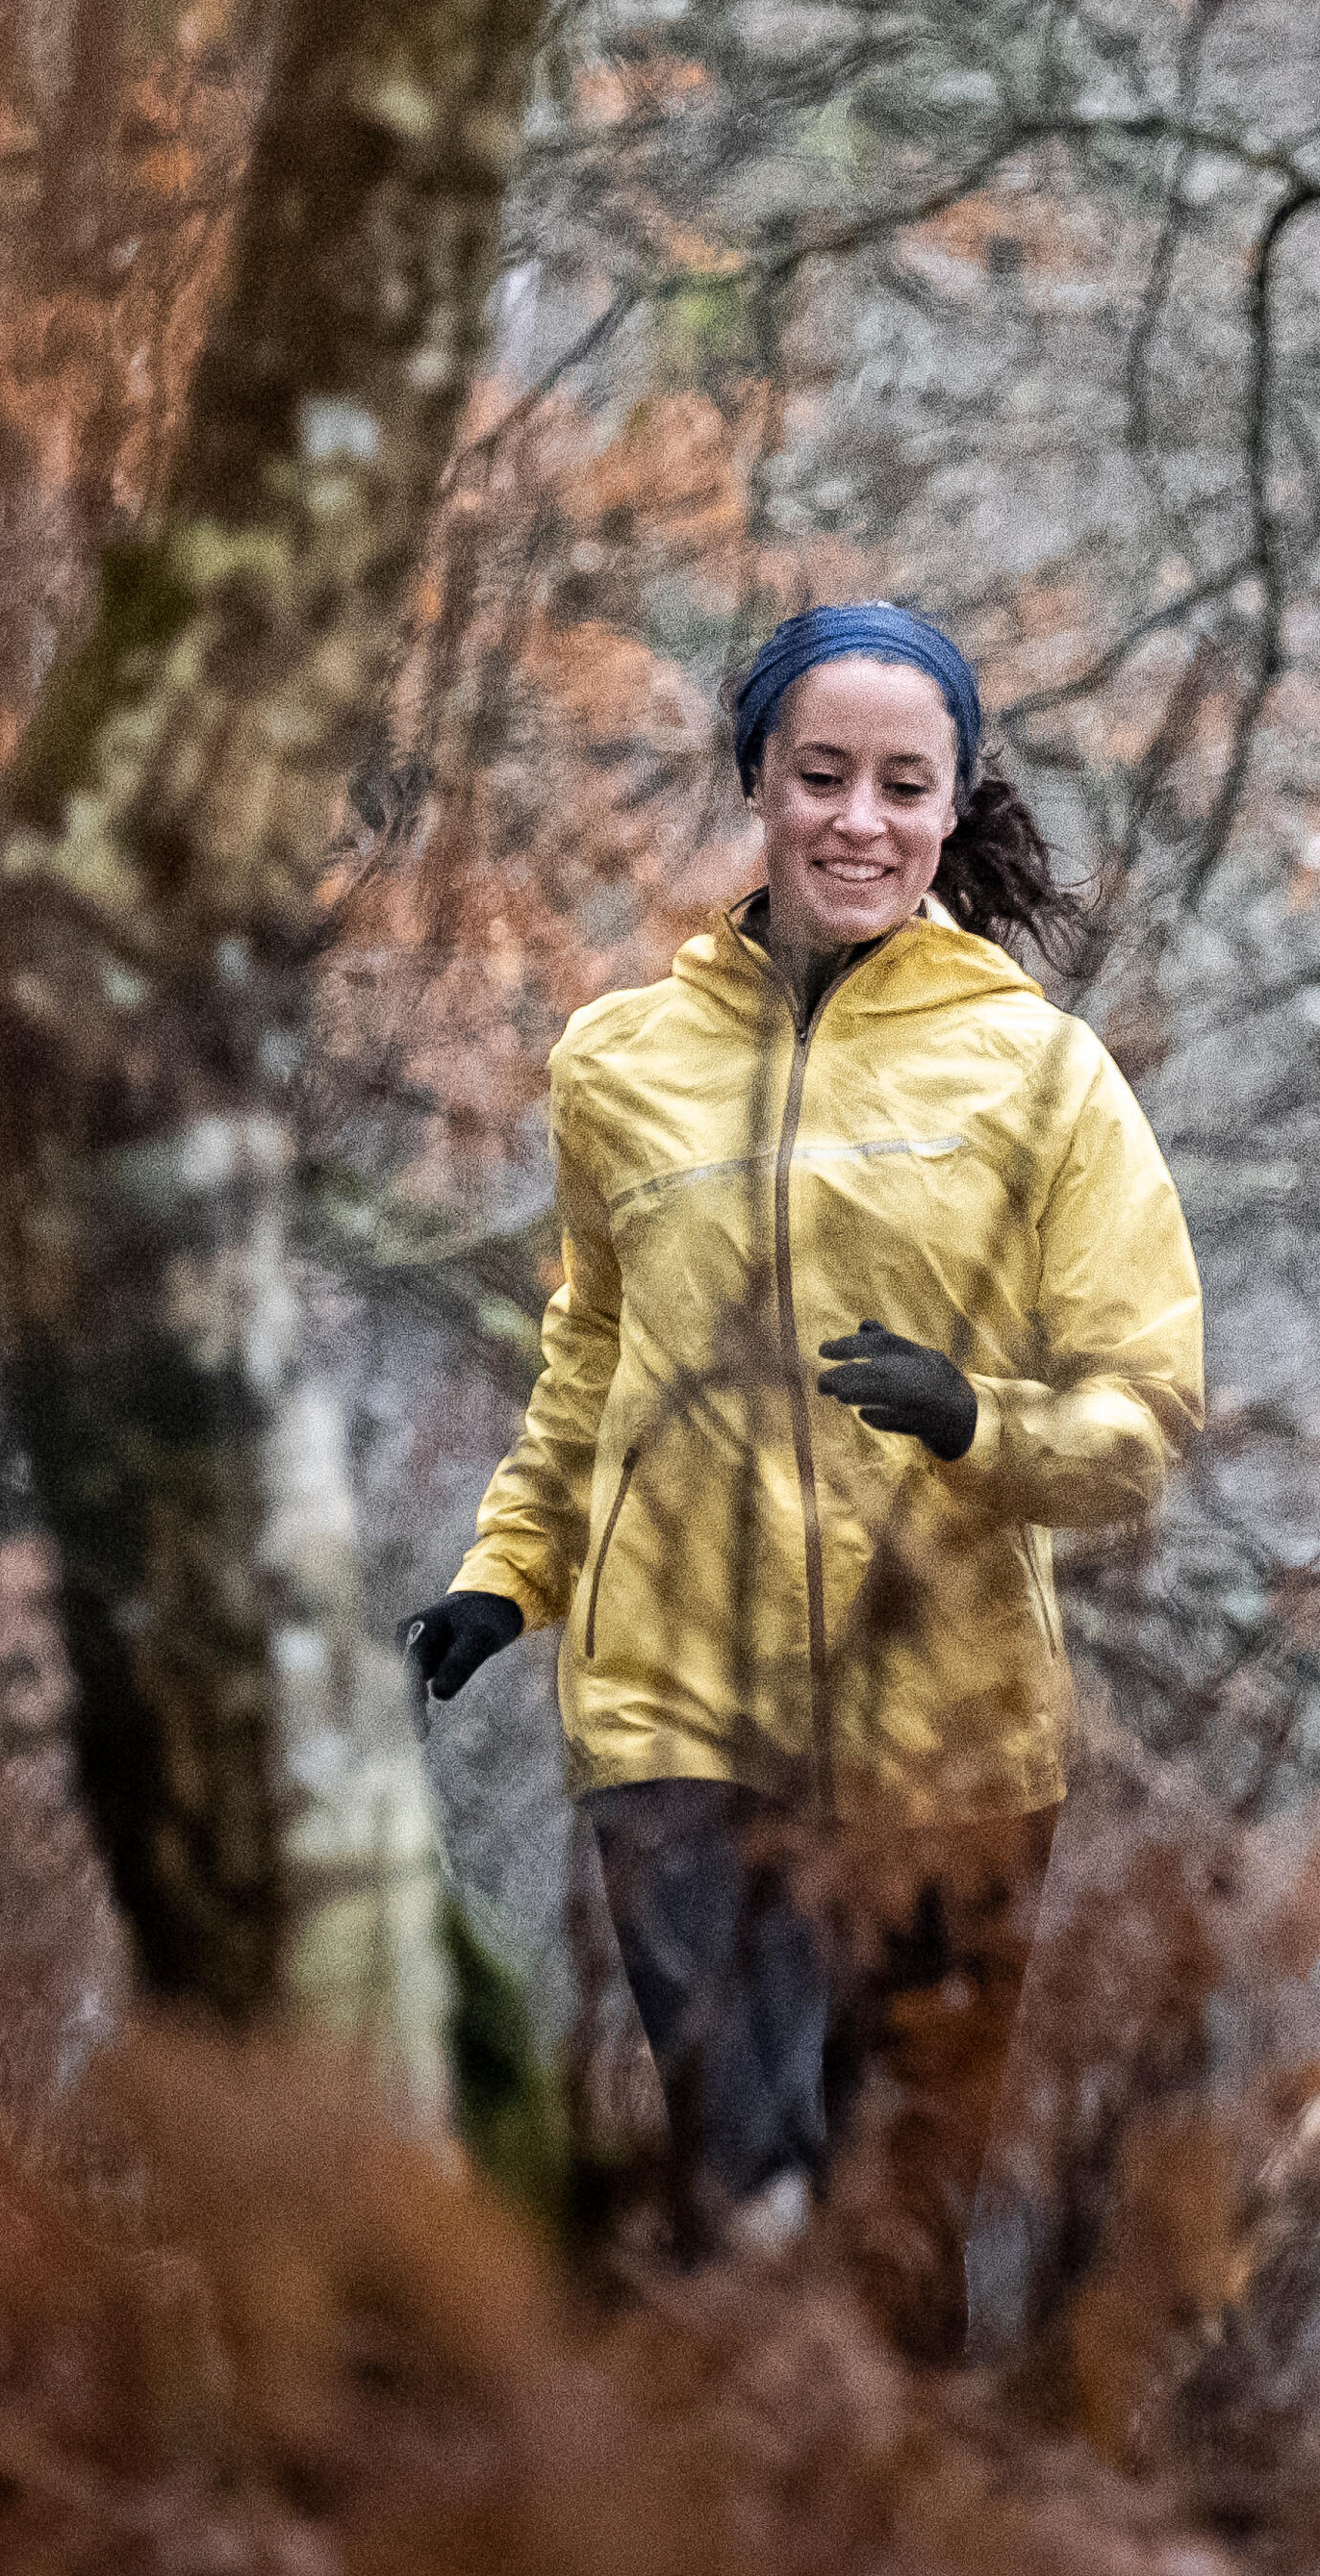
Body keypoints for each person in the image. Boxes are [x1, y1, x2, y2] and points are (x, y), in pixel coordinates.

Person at [401, 601, 1203, 2358]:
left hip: (955, 1736)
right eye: (820, 775)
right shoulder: (617, 1063)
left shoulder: (1045, 1077)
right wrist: (506, 1575)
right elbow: (590, 1361)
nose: (859, 818)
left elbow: (1146, 1416)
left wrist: (977, 1422)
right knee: (749, 2183)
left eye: (902, 786)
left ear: (951, 806)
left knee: (894, 2217)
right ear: (757, 783)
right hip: (677, 1723)